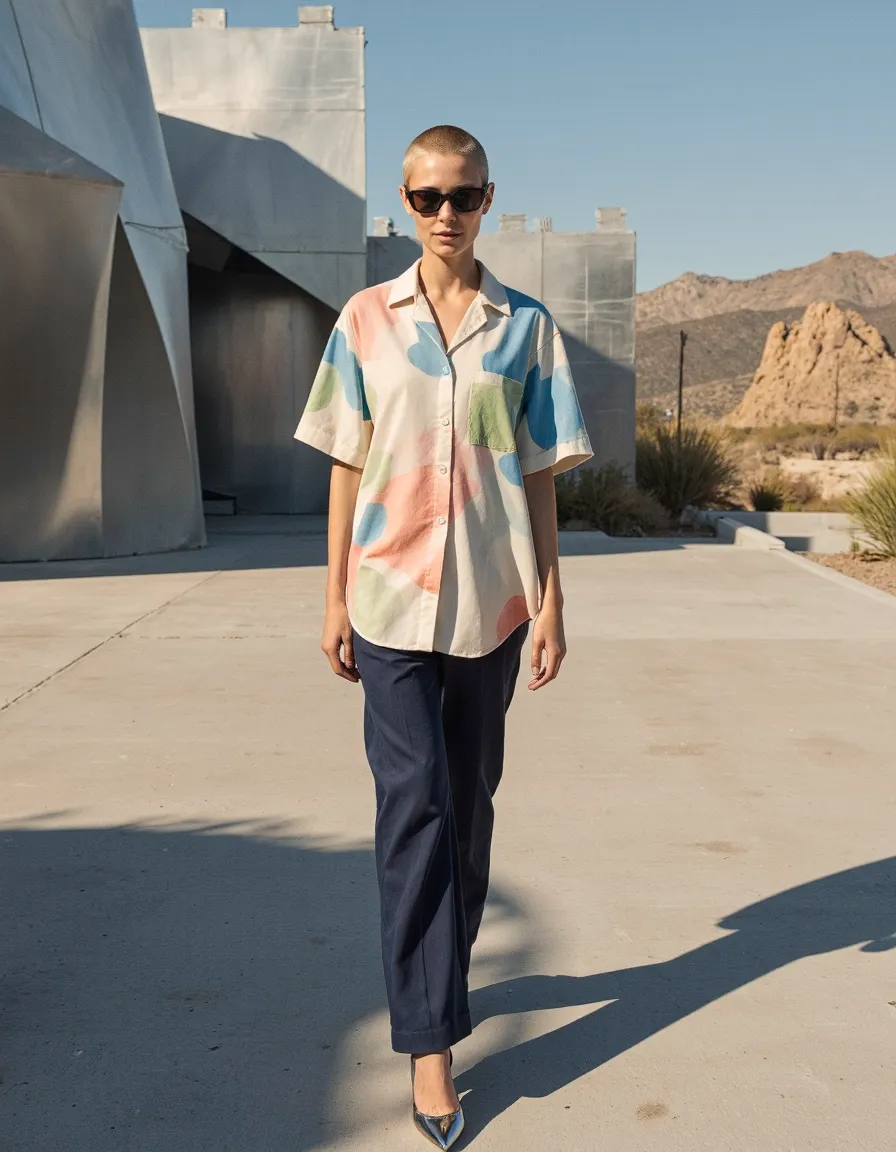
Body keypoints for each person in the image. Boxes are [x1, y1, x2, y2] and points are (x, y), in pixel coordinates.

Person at [294, 124, 593, 1149]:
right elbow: (344, 460)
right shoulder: (365, 321)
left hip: (489, 607)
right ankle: (429, 1045)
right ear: (405, 202)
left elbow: (541, 476)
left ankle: (439, 978)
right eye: (427, 199)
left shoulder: (527, 329)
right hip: (386, 605)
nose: (446, 216)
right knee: (415, 806)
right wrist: (331, 596)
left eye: (463, 197)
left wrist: (552, 599)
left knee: (465, 812)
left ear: (487, 199)